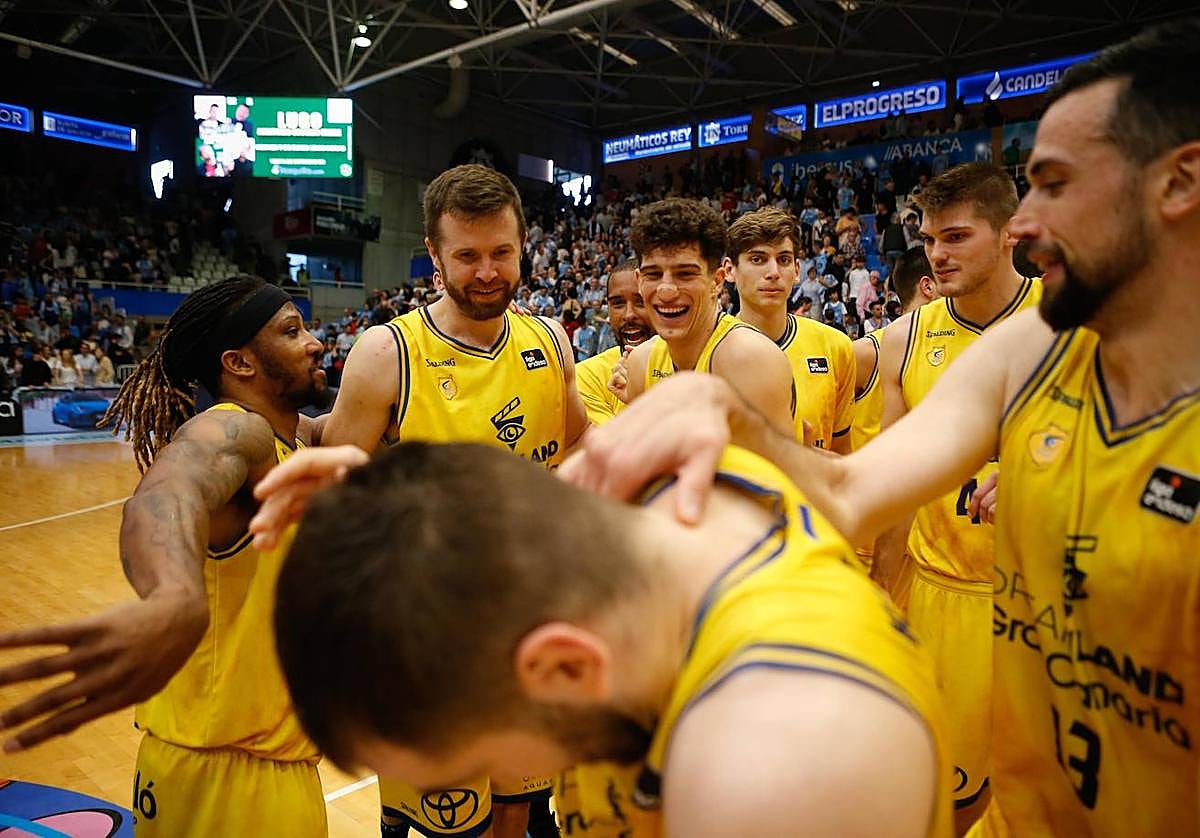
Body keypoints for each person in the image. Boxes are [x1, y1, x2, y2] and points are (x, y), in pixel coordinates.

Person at [558, 21, 1200, 837]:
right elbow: (851, 491)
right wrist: (727, 418)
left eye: (1055, 184)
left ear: (1179, 183)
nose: (1026, 221)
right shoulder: (1033, 345)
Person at [255, 441, 954, 838]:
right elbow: (495, 511)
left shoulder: (775, 775)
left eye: (473, 764)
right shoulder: (659, 499)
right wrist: (399, 519)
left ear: (562, 667)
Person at [290, 164, 584, 838]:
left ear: (522, 245)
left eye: (502, 253)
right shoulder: (386, 354)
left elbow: (579, 446)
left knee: (522, 817)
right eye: (467, 256)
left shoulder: (548, 339)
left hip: (535, 627)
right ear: (434, 254)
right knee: (457, 829)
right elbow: (333, 502)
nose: (488, 272)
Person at [0, 277, 329, 836]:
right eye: (292, 331)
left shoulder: (294, 438)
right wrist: (173, 593)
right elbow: (165, 494)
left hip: (240, 766)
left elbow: (363, 418)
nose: (315, 342)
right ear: (240, 363)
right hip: (228, 780)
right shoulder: (233, 429)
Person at [611, 199, 794, 437]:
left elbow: (771, 473)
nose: (666, 291)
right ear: (639, 280)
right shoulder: (641, 363)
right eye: (653, 274)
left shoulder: (750, 359)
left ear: (716, 281)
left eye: (685, 274)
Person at [726, 207, 855, 452]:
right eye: (758, 259)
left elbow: (841, 452)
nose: (773, 272)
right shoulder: (705, 350)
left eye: (783, 260)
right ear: (729, 270)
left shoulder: (835, 346)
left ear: (797, 270)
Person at [574, 259, 653, 425]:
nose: (629, 314)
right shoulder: (588, 375)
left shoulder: (696, 366)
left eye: (640, 301)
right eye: (618, 304)